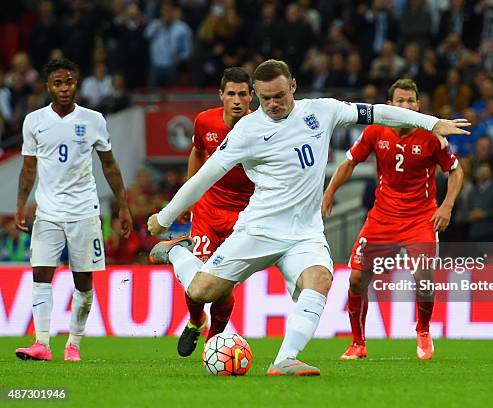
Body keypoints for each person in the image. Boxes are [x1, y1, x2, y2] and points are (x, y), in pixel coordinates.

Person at [147, 59, 470, 376]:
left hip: (305, 234)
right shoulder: (247, 130)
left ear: (293, 87)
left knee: (320, 279)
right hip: (258, 229)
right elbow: (205, 177)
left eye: (279, 96)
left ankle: (285, 359)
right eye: (265, 99)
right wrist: (165, 218)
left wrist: (429, 122)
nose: (272, 104)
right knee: (203, 292)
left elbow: (375, 112)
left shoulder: (321, 111)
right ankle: (177, 251)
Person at [321, 79, 464, 361]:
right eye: (400, 101)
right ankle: (358, 343)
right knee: (357, 280)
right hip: (382, 218)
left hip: (420, 218)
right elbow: (349, 162)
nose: (406, 106)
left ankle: (423, 331)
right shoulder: (376, 130)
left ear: (419, 106)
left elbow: (456, 171)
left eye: (411, 101)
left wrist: (446, 206)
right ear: (389, 106)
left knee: (424, 279)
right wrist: (329, 191)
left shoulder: (433, 136)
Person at [14, 58, 133, 362]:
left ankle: (74, 343)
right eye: (58, 83)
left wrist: (122, 205)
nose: (64, 88)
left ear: (76, 84)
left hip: (83, 211)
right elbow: (28, 169)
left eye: (69, 82)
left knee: (83, 280)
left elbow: (109, 164)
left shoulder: (93, 119)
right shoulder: (34, 121)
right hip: (48, 212)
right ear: (48, 87)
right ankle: (41, 342)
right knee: (40, 274)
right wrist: (20, 204)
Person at [176, 67, 254, 357]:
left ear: (251, 97)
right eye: (230, 94)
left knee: (223, 284)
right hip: (209, 210)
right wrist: (188, 197)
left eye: (242, 94)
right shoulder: (204, 121)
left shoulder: (264, 127)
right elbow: (197, 153)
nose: (236, 100)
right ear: (221, 95)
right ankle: (197, 320)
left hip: (244, 217)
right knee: (199, 279)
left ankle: (214, 342)